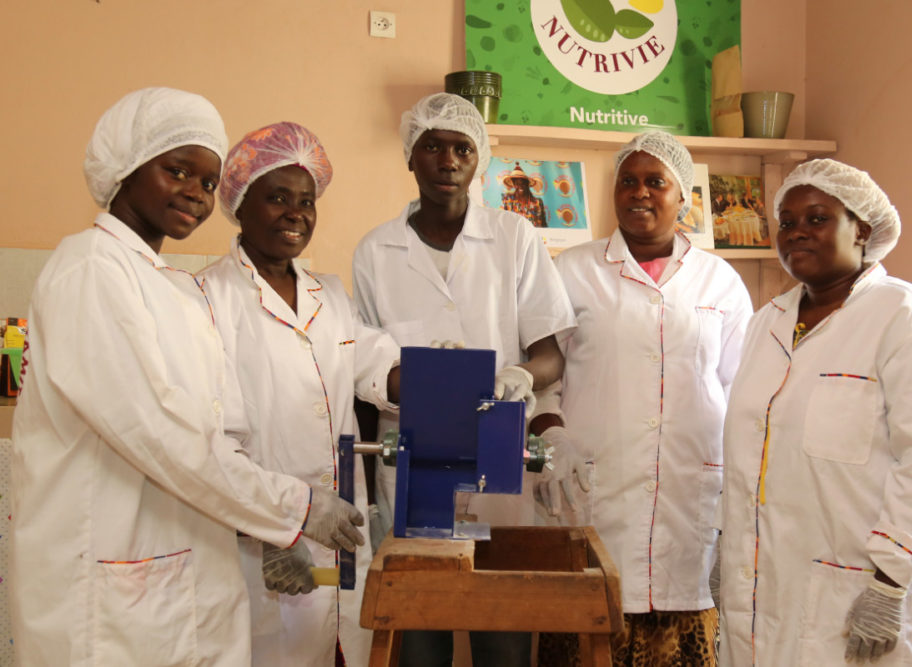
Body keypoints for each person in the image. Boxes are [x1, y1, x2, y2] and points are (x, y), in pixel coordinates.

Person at [10, 88, 365, 666]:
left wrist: (273, 525)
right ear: (125, 168)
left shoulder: (173, 288)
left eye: (206, 182)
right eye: (177, 171)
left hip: (185, 574)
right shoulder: (90, 269)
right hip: (108, 582)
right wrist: (293, 508)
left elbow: (216, 430)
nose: (195, 195)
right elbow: (159, 434)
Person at [351, 92, 576, 667]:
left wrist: (519, 375)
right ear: (409, 157)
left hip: (499, 461)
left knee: (501, 637)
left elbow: (550, 352)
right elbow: (363, 366)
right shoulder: (376, 250)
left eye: (461, 148)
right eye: (431, 146)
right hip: (410, 468)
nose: (446, 160)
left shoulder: (514, 237)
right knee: (418, 637)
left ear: (479, 161)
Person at [718, 159, 912, 665]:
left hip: (861, 587)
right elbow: (747, 454)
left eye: (817, 218)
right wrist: (728, 547)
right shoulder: (766, 322)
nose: (797, 233)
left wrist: (890, 582)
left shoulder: (905, 318)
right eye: (786, 222)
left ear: (863, 230)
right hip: (766, 582)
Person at [531, 130, 753, 666]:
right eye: (627, 181)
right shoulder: (571, 270)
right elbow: (542, 376)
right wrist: (552, 435)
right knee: (587, 635)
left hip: (688, 501)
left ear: (684, 197)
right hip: (594, 492)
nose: (640, 193)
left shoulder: (720, 282)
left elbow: (742, 393)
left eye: (657, 181)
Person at [199, 122, 401, 666]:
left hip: (341, 535)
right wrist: (274, 533)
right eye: (278, 198)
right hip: (263, 547)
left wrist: (449, 379)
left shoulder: (328, 294)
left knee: (343, 649)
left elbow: (375, 363)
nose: (296, 213)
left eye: (307, 201)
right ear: (240, 204)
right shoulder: (207, 300)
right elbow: (217, 441)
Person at [500, 161, 548, 228]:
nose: (521, 186)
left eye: (523, 183)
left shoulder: (537, 202)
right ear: (514, 185)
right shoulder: (507, 201)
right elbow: (502, 222)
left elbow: (543, 225)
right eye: (517, 183)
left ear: (528, 185)